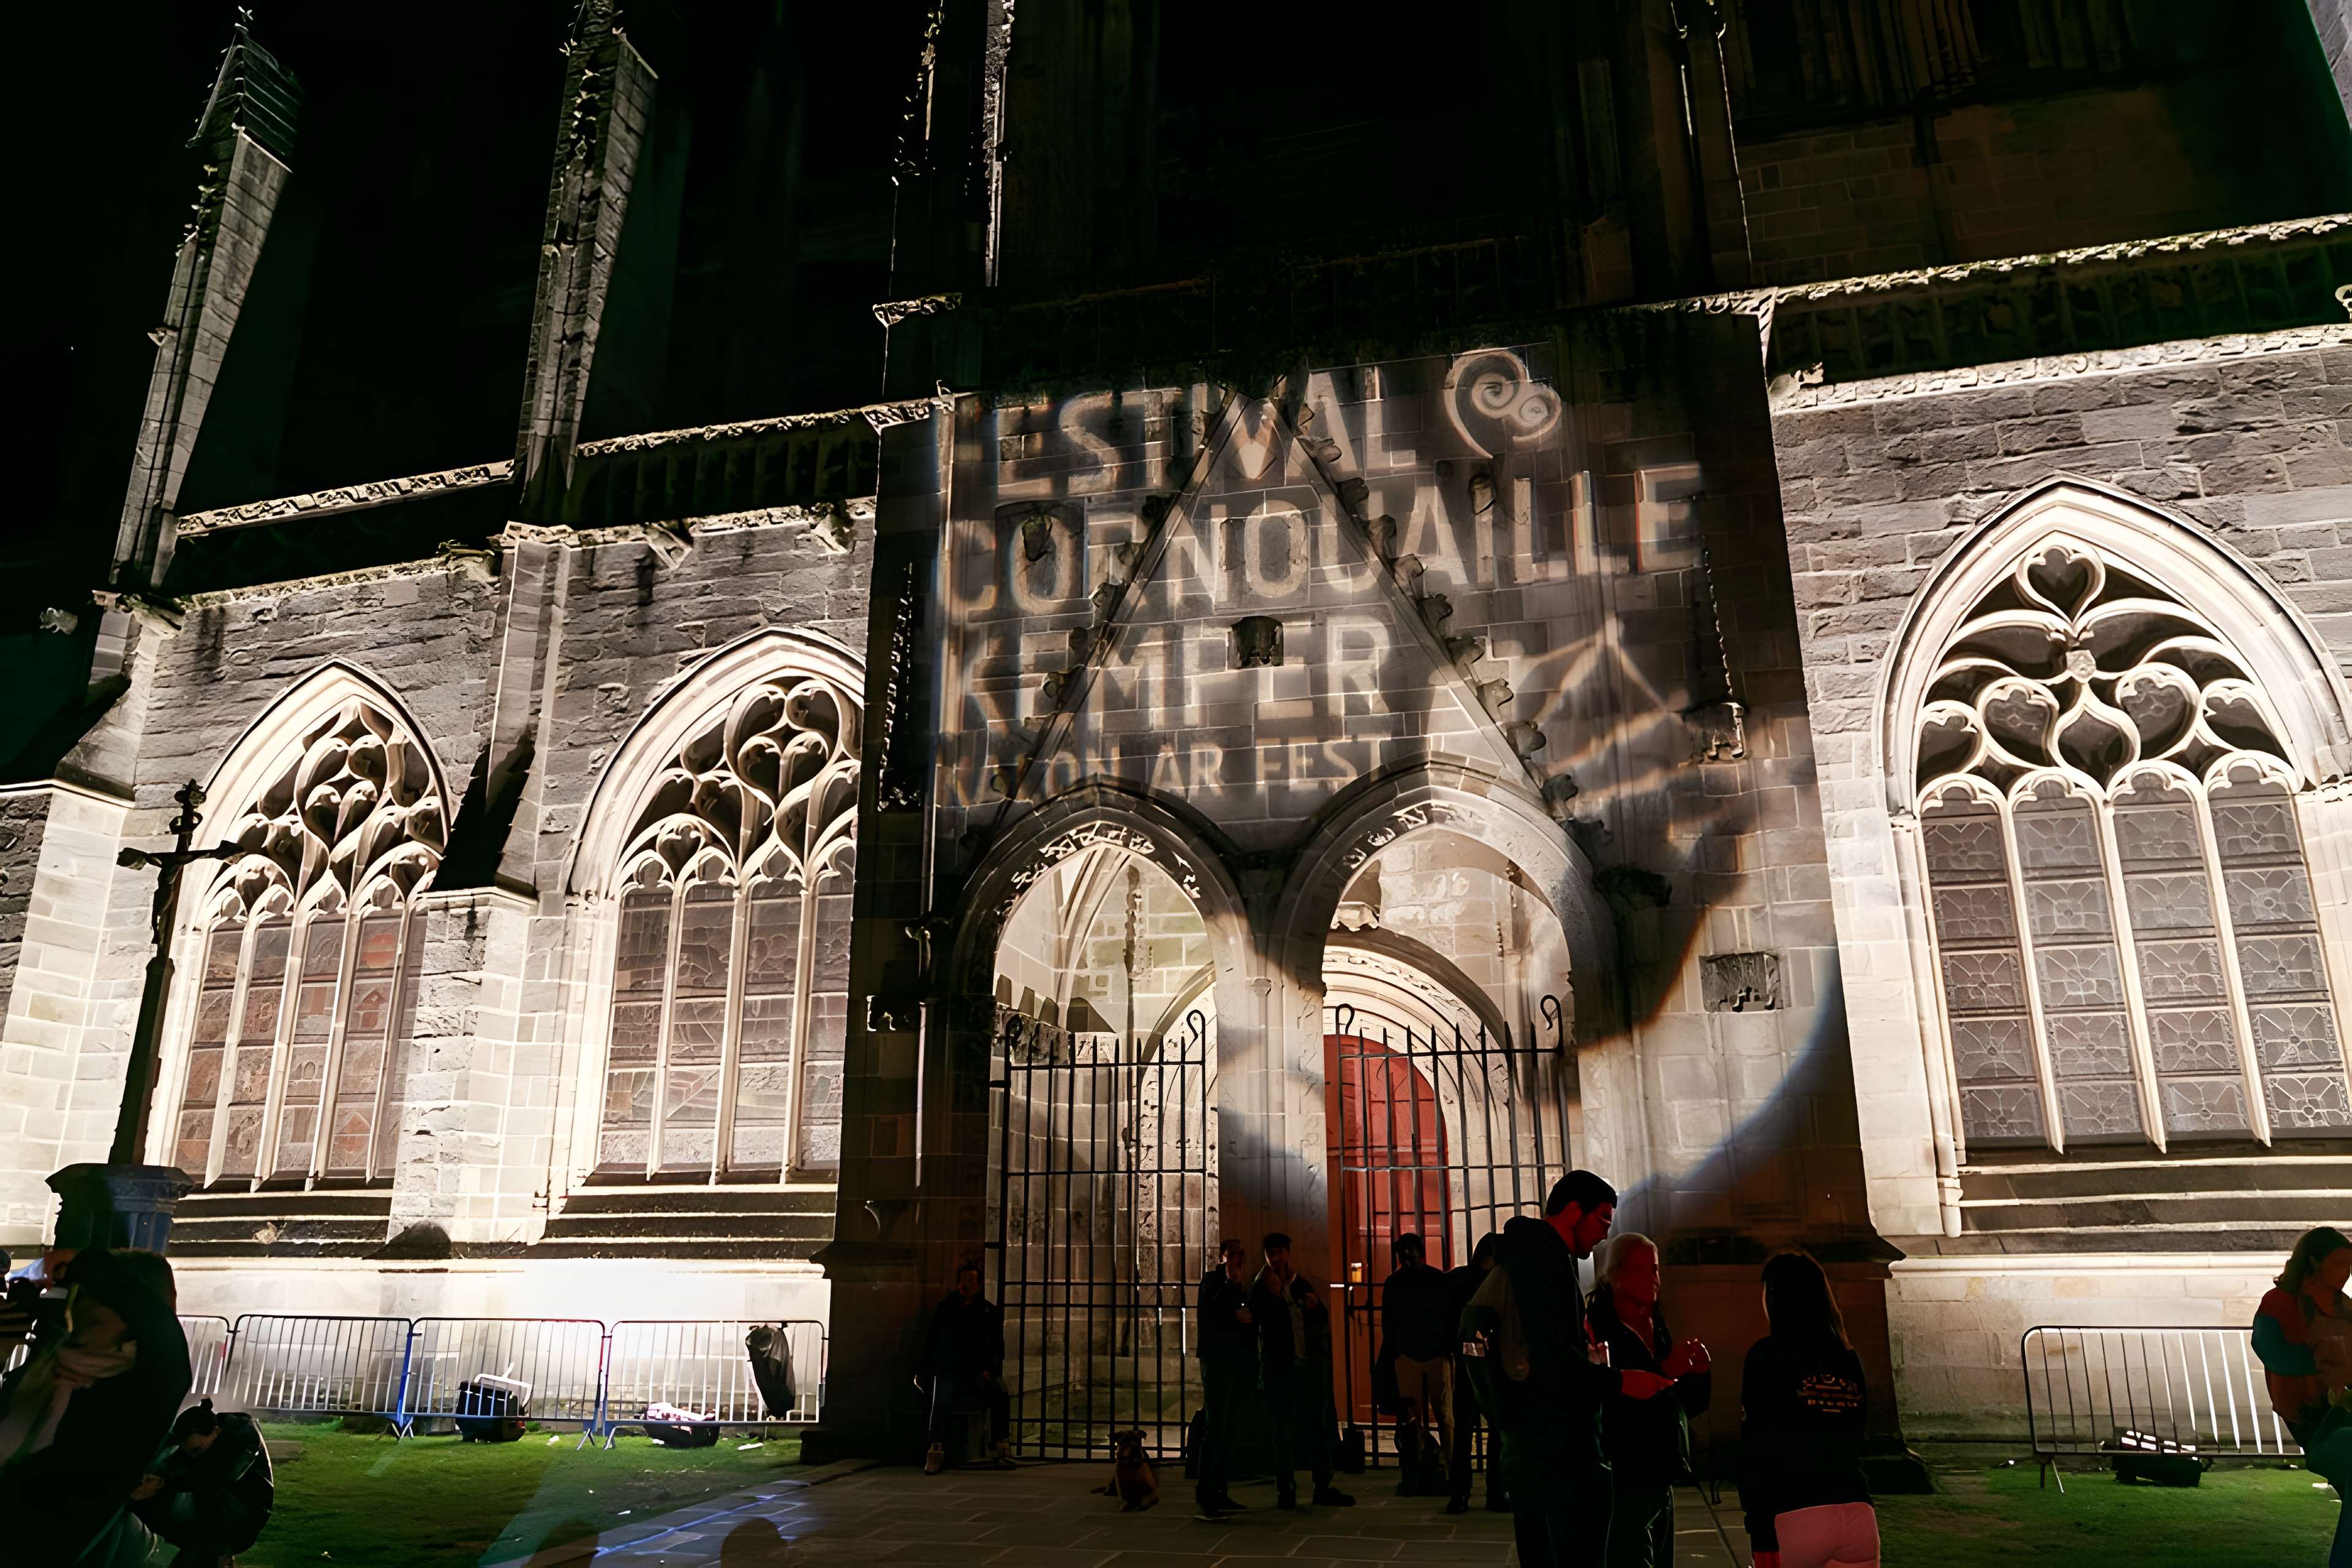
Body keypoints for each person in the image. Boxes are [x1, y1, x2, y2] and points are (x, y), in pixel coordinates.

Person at [1461, 1170, 1672, 1568]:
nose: (1604, 1236)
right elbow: (1554, 1360)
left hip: (1527, 1446)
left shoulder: (1523, 1256)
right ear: (1574, 1211)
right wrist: (1621, 1380)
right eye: (1602, 1220)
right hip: (1557, 1451)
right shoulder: (1546, 1263)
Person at [0, 1246, 192, 1564]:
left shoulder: (147, 1385)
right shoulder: (42, 1369)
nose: (82, 1313)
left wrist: (81, 1264)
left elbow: (161, 1334)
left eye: (97, 1303)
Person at [1738, 1251, 1875, 1568]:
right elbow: (1855, 1436)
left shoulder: (1766, 1357)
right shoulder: (1848, 1358)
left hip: (1797, 1510)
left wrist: (1759, 1530)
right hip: (1856, 1510)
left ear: (1773, 1298)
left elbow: (1757, 1449)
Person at [1588, 1234, 1711, 1568]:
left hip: (1661, 1473)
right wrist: (1665, 1371)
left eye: (1656, 1269)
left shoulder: (1658, 1328)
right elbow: (1612, 1401)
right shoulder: (1600, 1331)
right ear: (1616, 1275)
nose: (1654, 1280)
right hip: (1624, 1476)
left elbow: (1688, 1404)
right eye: (1642, 1270)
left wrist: (1697, 1374)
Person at [2252, 1226, 2352, 1568]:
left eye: (2350, 1264)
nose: (2347, 1272)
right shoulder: (2278, 1303)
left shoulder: (2343, 1307)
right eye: (2339, 1263)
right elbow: (2273, 1353)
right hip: (2318, 1421)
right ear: (2314, 1262)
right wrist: (2328, 1361)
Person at [1250, 1232, 1354, 1510]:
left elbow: (1318, 1320)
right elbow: (1255, 1325)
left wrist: (1315, 1307)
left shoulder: (1300, 1284)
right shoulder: (1262, 1288)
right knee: (1283, 1431)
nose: (1278, 1259)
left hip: (1306, 1368)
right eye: (1273, 1254)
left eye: (1282, 1252)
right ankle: (1287, 1489)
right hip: (1281, 1369)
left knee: (1317, 1428)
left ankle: (1322, 1485)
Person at [132, 1398, 276, 1567]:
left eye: (197, 1450)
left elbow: (218, 1478)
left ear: (216, 1431)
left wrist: (163, 1484)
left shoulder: (244, 1434)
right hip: (220, 1508)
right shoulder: (209, 1438)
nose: (194, 1457)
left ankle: (213, 1554)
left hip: (243, 1513)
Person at [1377, 1232, 1454, 1495]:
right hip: (1433, 1353)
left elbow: (1388, 1322)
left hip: (1409, 1354)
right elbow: (1448, 1315)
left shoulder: (1394, 1283)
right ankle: (1449, 1471)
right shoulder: (1438, 1279)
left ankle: (1414, 1473)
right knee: (1444, 1417)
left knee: (1412, 1420)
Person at [919, 1262, 1011, 1475]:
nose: (965, 1285)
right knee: (939, 1400)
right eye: (963, 1280)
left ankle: (1001, 1447)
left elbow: (997, 1345)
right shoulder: (946, 1309)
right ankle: (935, 1450)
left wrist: (990, 1369)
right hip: (950, 1369)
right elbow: (935, 1342)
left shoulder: (988, 1311)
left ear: (979, 1285)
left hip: (979, 1370)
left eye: (971, 1281)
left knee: (1001, 1395)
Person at [1444, 1231, 1506, 1517]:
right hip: (1486, 1364)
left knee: (1472, 1431)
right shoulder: (1502, 1281)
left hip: (1474, 1363)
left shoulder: (1462, 1280)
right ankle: (1490, 1492)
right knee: (1488, 1432)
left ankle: (1463, 1494)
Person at [1194, 1238, 1256, 1518]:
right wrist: (1231, 1286)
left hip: (1231, 1361)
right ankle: (1208, 1493)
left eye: (1241, 1255)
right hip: (1216, 1360)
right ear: (1223, 1257)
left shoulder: (1240, 1284)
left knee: (1226, 1428)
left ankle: (1220, 1491)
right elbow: (1212, 1315)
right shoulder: (1213, 1281)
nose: (1238, 1260)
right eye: (1234, 1255)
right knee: (1215, 1427)